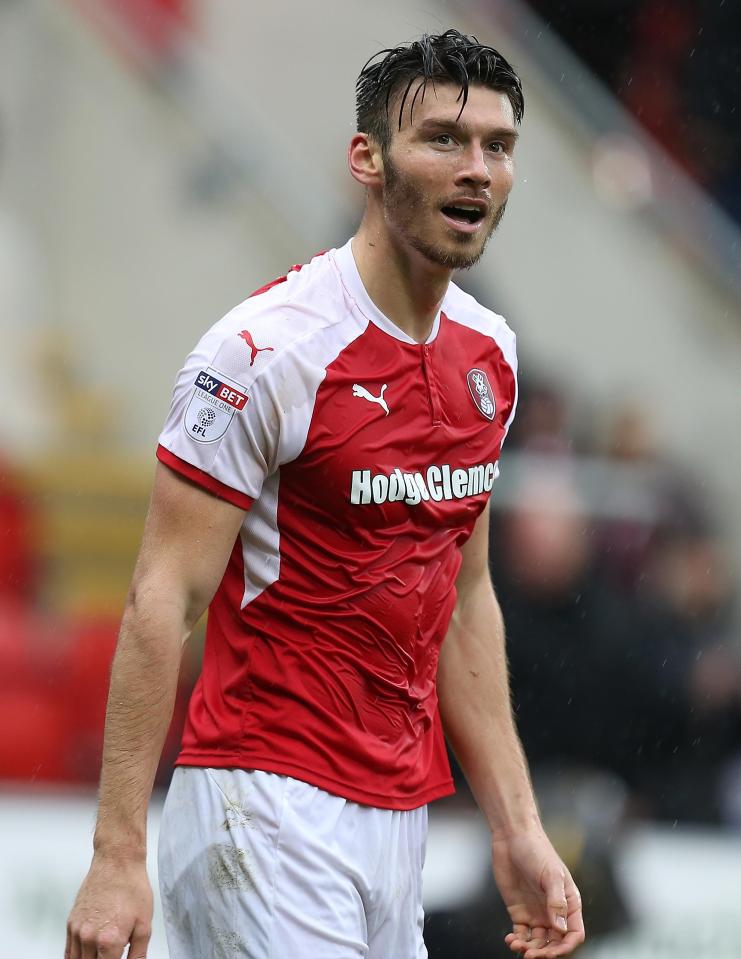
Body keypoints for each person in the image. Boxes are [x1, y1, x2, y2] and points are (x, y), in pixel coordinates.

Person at [66, 29, 585, 959]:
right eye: (442, 140)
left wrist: (515, 824)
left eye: (496, 148)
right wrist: (115, 851)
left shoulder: (491, 357)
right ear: (366, 160)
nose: (475, 171)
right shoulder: (264, 352)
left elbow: (462, 600)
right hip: (261, 800)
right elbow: (161, 599)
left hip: (396, 818)